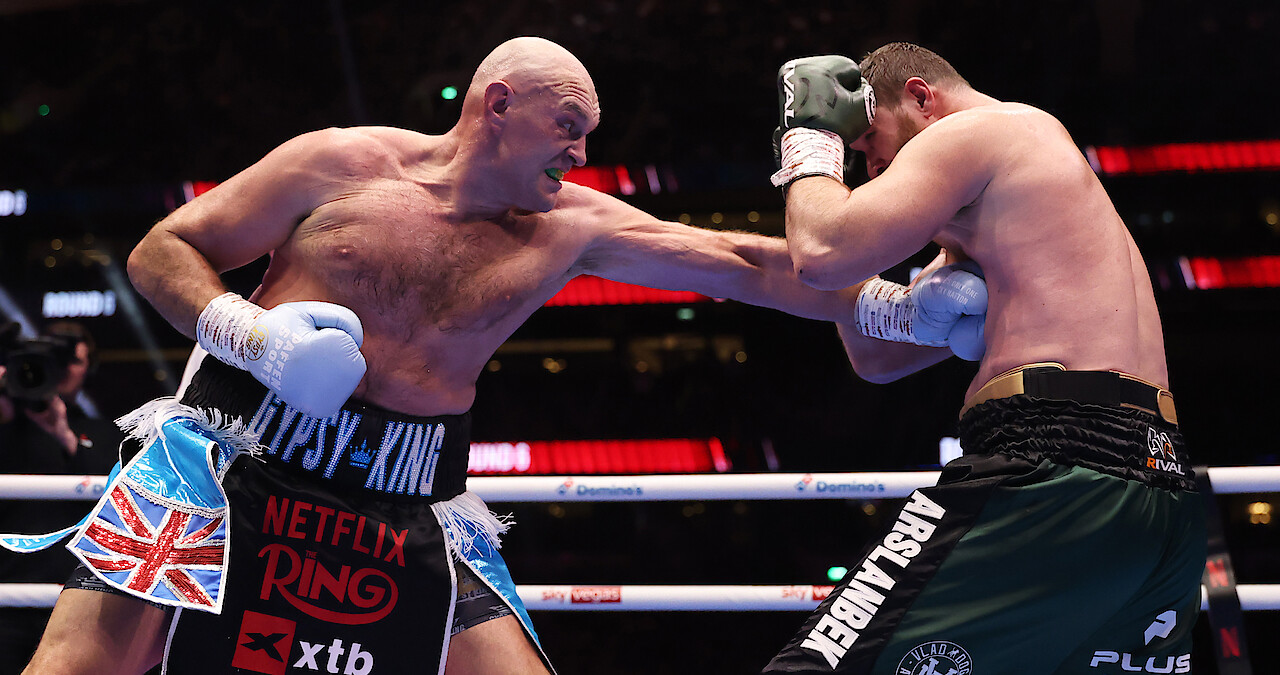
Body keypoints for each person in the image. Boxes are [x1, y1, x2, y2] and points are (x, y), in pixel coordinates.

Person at [22, 38, 986, 675]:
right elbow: (163, 251)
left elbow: (739, 262)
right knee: (77, 664)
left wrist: (900, 308)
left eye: (589, 134)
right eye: (566, 125)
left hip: (410, 496)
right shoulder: (339, 162)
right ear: (497, 103)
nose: (578, 151)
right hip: (233, 452)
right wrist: (251, 335)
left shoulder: (569, 224)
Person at [763, 43, 1206, 674]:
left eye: (867, 139)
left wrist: (809, 142)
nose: (866, 164)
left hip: (1051, 460)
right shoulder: (1024, 194)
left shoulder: (984, 128)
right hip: (1156, 479)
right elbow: (878, 358)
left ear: (921, 97)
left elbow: (821, 251)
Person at [0, 322, 120, 672]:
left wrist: (63, 433)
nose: (60, 368)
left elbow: (113, 500)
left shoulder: (104, 432)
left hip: (69, 601)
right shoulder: (5, 424)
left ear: (89, 369)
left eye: (72, 359)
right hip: (5, 594)